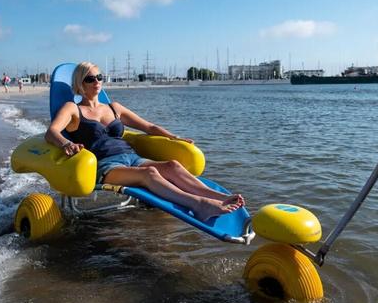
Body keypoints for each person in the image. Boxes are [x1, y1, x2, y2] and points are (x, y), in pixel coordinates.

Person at [45, 61, 245, 222]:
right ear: (81, 83)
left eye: (99, 77)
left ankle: (216, 197)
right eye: (91, 78)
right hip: (105, 165)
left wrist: (173, 137)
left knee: (172, 166)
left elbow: (148, 127)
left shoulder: (114, 107)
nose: (97, 81)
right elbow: (52, 132)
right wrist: (66, 143)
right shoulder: (72, 108)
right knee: (149, 173)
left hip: (132, 158)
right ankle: (199, 204)